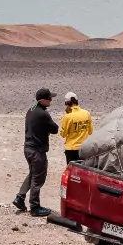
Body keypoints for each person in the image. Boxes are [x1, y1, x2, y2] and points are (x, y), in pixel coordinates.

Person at [13, 88, 58, 217]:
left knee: (33, 174)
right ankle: (35, 206)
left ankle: (20, 197)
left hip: (27, 148)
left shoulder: (31, 110)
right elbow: (55, 129)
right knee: (38, 178)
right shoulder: (43, 114)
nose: (51, 100)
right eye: (49, 98)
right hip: (37, 151)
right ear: (43, 100)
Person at [60, 92, 92, 163]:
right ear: (77, 101)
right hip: (84, 147)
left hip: (71, 149)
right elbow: (90, 132)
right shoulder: (87, 113)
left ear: (67, 104)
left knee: (72, 172)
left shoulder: (67, 116)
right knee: (84, 170)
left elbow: (63, 134)